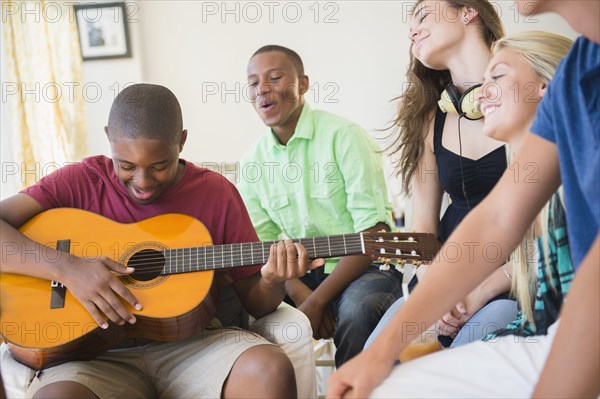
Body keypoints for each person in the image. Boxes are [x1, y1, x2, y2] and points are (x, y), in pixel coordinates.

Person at [327, 0, 599, 397]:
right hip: (545, 321)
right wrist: (383, 351)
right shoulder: (576, 76)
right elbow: (496, 218)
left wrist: (486, 287)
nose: (484, 95)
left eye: (498, 77)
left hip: (535, 307)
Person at [0, 83, 323, 399]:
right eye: (126, 166)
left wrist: (271, 278)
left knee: (267, 370)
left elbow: (257, 303)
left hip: (195, 345)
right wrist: (68, 268)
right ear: (109, 136)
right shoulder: (79, 181)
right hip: (93, 358)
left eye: (159, 166)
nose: (142, 181)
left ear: (181, 142)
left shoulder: (215, 193)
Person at [237, 45, 403, 367]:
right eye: (254, 83)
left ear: (303, 84)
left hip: (364, 268)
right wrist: (301, 295)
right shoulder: (251, 163)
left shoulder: (345, 136)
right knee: (244, 312)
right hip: (300, 275)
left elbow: (372, 234)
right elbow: (265, 249)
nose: (263, 90)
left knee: (358, 310)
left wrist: (317, 301)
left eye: (275, 77)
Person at [367, 0, 516, 350]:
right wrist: (438, 291)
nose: (413, 31)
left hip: (514, 285)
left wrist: (478, 292)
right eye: (409, 29)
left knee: (463, 359)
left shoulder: (529, 98)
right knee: (375, 356)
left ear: (468, 11)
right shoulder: (429, 122)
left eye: (422, 16)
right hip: (444, 285)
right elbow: (421, 233)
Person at [476, 31, 574, 341]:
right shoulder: (527, 186)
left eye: (497, 77)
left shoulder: (578, 178)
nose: (480, 94)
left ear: (545, 83)